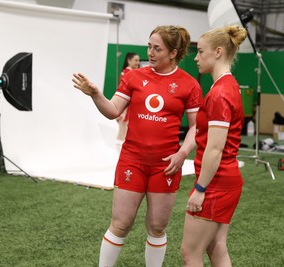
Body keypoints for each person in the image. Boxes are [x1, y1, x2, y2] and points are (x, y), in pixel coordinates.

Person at [72, 25, 203, 267]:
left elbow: (197, 127)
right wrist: (95, 94)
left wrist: (182, 153)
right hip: (132, 160)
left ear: (173, 53)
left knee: (156, 227)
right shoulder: (133, 77)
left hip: (165, 166)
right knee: (120, 224)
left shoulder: (189, 84)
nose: (150, 53)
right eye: (149, 47)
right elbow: (112, 111)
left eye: (157, 48)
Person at [181, 25, 248, 267]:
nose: (196, 58)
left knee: (190, 252)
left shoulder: (220, 92)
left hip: (216, 182)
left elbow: (215, 148)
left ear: (218, 52)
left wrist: (200, 188)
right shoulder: (226, 86)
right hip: (226, 179)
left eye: (200, 52)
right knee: (216, 247)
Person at [116, 52, 141, 150]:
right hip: (126, 108)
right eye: (136, 60)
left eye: (138, 60)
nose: (138, 63)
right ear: (129, 61)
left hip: (131, 108)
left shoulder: (133, 73)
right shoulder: (126, 73)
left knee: (126, 132)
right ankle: (118, 156)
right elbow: (124, 94)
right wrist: (122, 111)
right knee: (122, 132)